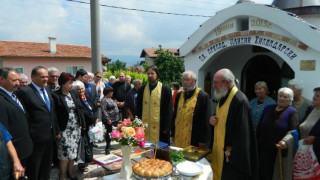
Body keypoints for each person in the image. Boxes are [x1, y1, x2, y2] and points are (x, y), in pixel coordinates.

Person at [209, 68, 258, 180]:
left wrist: (232, 155)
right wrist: (212, 118)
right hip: (219, 150)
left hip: (231, 155)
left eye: (216, 82)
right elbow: (219, 115)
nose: (213, 85)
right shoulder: (223, 95)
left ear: (226, 83)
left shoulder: (239, 101)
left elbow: (242, 135)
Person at [16, 66, 58, 180]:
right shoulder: (25, 92)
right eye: (42, 77)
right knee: (34, 169)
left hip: (49, 137)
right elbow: (22, 116)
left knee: (46, 168)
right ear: (33, 77)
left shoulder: (48, 90)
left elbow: (51, 112)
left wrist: (56, 130)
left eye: (46, 76)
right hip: (34, 139)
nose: (45, 79)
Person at [277, 87, 320, 180]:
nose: (313, 97)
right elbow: (299, 127)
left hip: (317, 156)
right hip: (304, 154)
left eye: (317, 96)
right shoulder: (311, 108)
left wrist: (315, 140)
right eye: (314, 95)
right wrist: (286, 140)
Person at [256, 87, 298, 180]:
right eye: (280, 96)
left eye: (285, 97)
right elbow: (259, 128)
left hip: (278, 153)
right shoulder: (268, 108)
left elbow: (293, 131)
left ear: (290, 100)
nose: (282, 98)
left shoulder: (292, 111)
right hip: (263, 150)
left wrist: (285, 142)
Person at [52, 73, 85, 180]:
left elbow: (80, 109)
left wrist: (83, 124)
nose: (72, 84)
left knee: (73, 152)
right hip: (63, 129)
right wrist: (56, 131)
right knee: (64, 153)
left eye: (72, 82)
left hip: (75, 127)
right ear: (62, 83)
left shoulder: (74, 93)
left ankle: (70, 172)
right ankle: (62, 174)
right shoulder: (55, 95)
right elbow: (54, 115)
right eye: (69, 82)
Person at [0, 67, 33, 167]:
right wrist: (14, 158)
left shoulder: (14, 95)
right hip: (13, 153)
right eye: (14, 80)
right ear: (1, 79)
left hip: (23, 149)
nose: (18, 83)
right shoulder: (1, 100)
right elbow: (3, 131)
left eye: (18, 80)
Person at [171, 71, 210, 148]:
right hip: (179, 136)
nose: (184, 82)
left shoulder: (202, 96)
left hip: (194, 137)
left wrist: (203, 139)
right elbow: (175, 115)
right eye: (183, 79)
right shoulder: (179, 95)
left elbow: (205, 119)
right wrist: (173, 133)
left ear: (194, 81)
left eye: (187, 80)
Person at [137, 65, 173, 144]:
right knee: (145, 150)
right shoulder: (142, 89)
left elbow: (169, 109)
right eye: (148, 73)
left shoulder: (165, 89)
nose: (150, 75)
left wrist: (167, 127)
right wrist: (138, 124)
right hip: (145, 126)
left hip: (161, 127)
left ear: (157, 74)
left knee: (161, 151)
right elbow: (138, 108)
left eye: (152, 73)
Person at [73, 80, 98, 172]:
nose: (81, 91)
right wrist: (91, 119)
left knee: (90, 144)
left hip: (90, 125)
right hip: (83, 126)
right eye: (78, 89)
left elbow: (93, 107)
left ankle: (89, 160)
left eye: (82, 89)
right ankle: (82, 164)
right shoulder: (76, 99)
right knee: (83, 146)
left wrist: (95, 118)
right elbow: (83, 112)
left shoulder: (85, 97)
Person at [101, 86, 119, 155]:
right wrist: (108, 119)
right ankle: (107, 148)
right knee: (108, 133)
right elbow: (104, 110)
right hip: (109, 120)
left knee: (112, 132)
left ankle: (110, 145)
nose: (112, 93)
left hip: (114, 119)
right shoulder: (104, 100)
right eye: (111, 92)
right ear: (108, 93)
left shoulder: (111, 98)